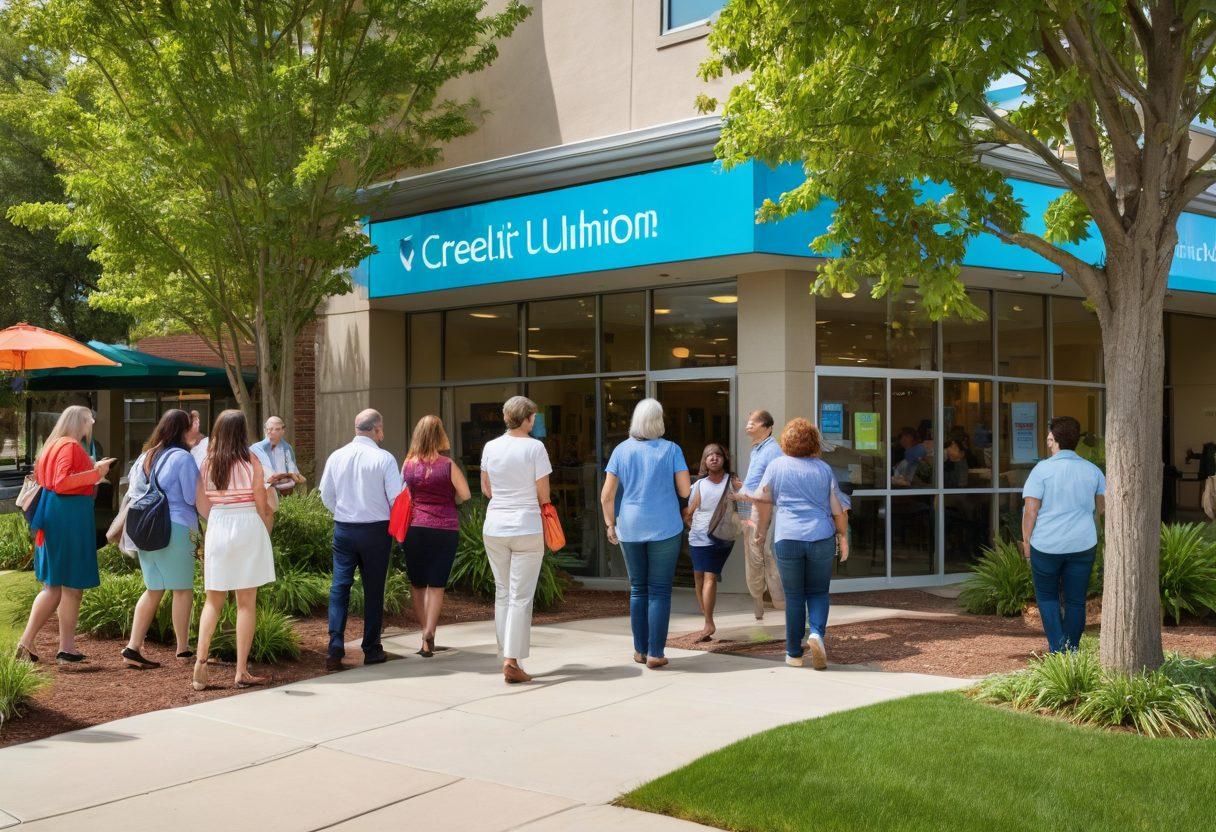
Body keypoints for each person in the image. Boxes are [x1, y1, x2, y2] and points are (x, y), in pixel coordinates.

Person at [15, 406, 116, 664]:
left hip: (57, 516)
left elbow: (57, 478)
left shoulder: (53, 445)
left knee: (64, 587)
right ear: (80, 422)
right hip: (67, 519)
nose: (91, 424)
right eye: (89, 420)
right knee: (59, 587)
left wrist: (92, 469)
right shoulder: (70, 446)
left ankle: (66, 648)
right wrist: (97, 473)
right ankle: (27, 642)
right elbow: (62, 482)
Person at [600, 398, 691, 669]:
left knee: (638, 589)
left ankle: (640, 650)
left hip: (630, 525)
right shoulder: (672, 449)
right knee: (660, 591)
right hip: (665, 526)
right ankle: (655, 653)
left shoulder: (621, 451)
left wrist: (610, 524)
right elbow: (685, 490)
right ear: (659, 421)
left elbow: (607, 495)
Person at [753, 418, 849, 670]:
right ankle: (816, 633)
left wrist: (761, 531)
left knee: (794, 596)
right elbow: (837, 508)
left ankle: (794, 653)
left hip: (787, 537)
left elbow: (763, 502)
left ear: (786, 440)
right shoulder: (823, 469)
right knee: (817, 592)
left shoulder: (776, 466)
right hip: (820, 537)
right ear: (813, 442)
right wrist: (843, 535)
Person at [193, 410, 276, 690]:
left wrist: (217, 518)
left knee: (212, 600)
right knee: (245, 603)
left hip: (218, 523)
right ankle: (241, 671)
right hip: (246, 523)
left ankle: (201, 661)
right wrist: (265, 528)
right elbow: (261, 503)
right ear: (242, 432)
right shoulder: (251, 461)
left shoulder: (207, 463)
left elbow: (202, 505)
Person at [318, 409, 404, 671]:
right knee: (374, 589)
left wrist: (343, 513)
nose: (383, 434)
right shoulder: (384, 458)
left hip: (344, 528)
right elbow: (396, 498)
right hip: (375, 530)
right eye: (382, 429)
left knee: (339, 587)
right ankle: (372, 648)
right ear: (376, 429)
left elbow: (325, 494)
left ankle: (335, 646)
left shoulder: (336, 456)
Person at [480, 396, 553, 684]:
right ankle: (512, 661)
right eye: (533, 416)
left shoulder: (490, 447)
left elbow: (487, 489)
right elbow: (543, 495)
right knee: (521, 596)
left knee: (503, 593)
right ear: (527, 418)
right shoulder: (535, 447)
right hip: (526, 525)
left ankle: (507, 655)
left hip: (495, 525)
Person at [121, 409, 201, 669]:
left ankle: (133, 647)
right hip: (175, 527)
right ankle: (183, 650)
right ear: (183, 429)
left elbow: (134, 492)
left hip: (144, 528)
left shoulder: (146, 456)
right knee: (182, 589)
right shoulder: (183, 458)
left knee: (153, 588)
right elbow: (192, 497)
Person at [1021, 416, 1106, 653]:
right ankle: (1072, 650)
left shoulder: (1042, 470)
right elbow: (1102, 508)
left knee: (1047, 598)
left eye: (1049, 438)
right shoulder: (1092, 471)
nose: (1048, 442)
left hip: (1047, 545)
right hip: (1082, 544)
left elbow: (1031, 510)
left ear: (1053, 440)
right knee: (1076, 601)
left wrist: (1026, 541)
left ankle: (1058, 650)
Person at [401, 415, 471, 657]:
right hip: (444, 528)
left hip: (415, 528)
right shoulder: (448, 465)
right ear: (440, 434)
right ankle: (431, 630)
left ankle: (424, 635)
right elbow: (466, 494)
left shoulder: (408, 464)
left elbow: (404, 494)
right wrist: (449, 500)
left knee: (418, 584)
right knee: (436, 584)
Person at [683, 443, 740, 642]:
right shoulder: (699, 484)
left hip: (720, 537)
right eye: (709, 456)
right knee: (699, 577)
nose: (714, 458)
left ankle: (709, 623)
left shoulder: (732, 481)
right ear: (704, 462)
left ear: (724, 459)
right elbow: (689, 512)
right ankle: (707, 621)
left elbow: (747, 500)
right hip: (698, 537)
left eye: (718, 455)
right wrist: (692, 525)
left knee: (709, 577)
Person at [732, 409, 785, 619]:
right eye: (748, 422)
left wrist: (743, 494)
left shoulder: (772, 450)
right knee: (754, 557)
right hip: (750, 509)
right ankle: (759, 602)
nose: (748, 426)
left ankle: (780, 600)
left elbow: (770, 487)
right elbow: (757, 483)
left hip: (764, 510)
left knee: (765, 555)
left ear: (767, 427)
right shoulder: (756, 450)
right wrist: (743, 489)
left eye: (753, 423)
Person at [251, 416, 305, 500]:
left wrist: (295, 476)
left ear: (283, 431)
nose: (272, 432)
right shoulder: (256, 449)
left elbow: (293, 469)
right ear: (265, 430)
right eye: (269, 429)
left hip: (286, 491)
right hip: (266, 492)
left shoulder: (287, 448)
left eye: (277, 429)